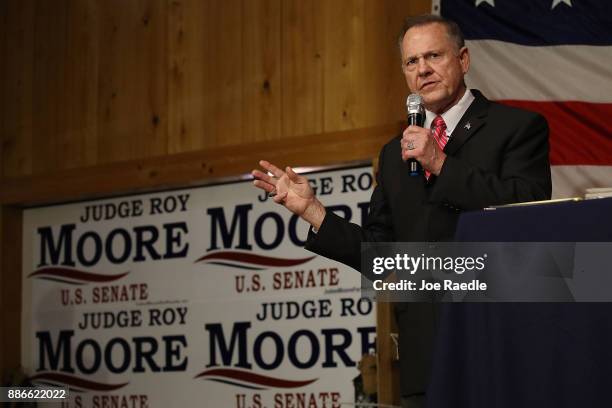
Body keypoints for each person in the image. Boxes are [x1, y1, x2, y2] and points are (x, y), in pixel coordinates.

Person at [252, 14, 551, 408]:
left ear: (463, 59)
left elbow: (528, 210)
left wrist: (441, 164)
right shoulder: (395, 154)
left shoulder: (517, 127)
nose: (423, 69)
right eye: (412, 62)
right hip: (425, 355)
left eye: (433, 56)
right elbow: (380, 254)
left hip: (498, 341)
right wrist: (313, 212)